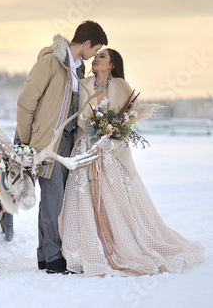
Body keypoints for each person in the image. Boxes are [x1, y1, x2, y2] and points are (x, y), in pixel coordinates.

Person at [61, 48, 205, 276]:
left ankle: (126, 243)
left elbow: (128, 121)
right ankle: (87, 247)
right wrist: (91, 133)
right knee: (83, 195)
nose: (96, 59)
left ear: (112, 65)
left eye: (102, 57)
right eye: (96, 56)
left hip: (113, 152)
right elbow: (78, 117)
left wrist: (111, 138)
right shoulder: (84, 83)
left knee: (118, 199)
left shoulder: (121, 86)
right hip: (86, 148)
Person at [16, 20, 108, 274]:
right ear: (87, 43)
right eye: (95, 49)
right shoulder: (50, 63)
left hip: (68, 141)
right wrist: (25, 141)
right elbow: (26, 102)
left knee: (54, 198)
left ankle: (45, 255)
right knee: (53, 196)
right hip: (48, 142)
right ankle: (53, 257)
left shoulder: (77, 70)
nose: (94, 55)